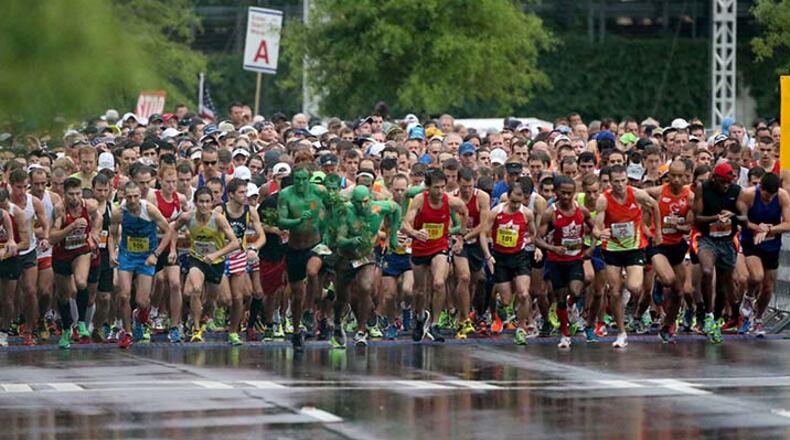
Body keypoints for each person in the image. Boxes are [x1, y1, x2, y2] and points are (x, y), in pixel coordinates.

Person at [594, 165, 661, 348]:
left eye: (623, 180)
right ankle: (622, 332)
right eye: (616, 181)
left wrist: (658, 232)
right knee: (614, 291)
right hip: (612, 249)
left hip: (634, 247)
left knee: (635, 286)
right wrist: (600, 234)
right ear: (610, 182)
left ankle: (632, 306)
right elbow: (596, 226)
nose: (620, 185)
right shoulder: (603, 200)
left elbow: (655, 205)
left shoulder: (636, 194)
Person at [402, 169, 467, 342]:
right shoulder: (419, 200)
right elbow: (405, 224)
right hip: (420, 247)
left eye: (443, 187)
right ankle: (420, 317)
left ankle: (435, 323)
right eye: (436, 188)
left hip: (439, 246)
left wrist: (461, 234)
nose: (440, 192)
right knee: (419, 291)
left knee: (439, 283)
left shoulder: (449, 201)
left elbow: (464, 209)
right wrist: (415, 233)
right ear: (428, 187)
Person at [109, 181, 173, 349]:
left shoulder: (149, 209)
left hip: (146, 257)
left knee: (142, 301)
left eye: (135, 196)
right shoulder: (118, 213)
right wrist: (111, 252)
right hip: (127, 255)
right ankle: (127, 332)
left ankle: (141, 315)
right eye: (129, 197)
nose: (132, 200)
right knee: (124, 295)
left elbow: (168, 231)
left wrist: (156, 254)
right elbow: (112, 234)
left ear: (140, 196)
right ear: (123, 196)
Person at [334, 186, 400, 347]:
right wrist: (350, 241)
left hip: (366, 255)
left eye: (365, 202)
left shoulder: (378, 208)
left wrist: (393, 235)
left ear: (369, 200)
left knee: (365, 287)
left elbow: (396, 208)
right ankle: (336, 322)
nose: (362, 206)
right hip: (346, 257)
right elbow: (339, 238)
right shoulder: (346, 211)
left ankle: (361, 330)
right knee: (342, 296)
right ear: (353, 202)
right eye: (358, 203)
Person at [174, 187, 240, 344]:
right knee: (195, 289)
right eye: (201, 202)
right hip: (197, 258)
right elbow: (172, 229)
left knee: (211, 301)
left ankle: (202, 322)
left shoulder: (218, 219)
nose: (204, 205)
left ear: (212, 203)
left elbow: (235, 243)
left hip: (215, 262)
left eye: (207, 202)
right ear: (195, 203)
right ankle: (196, 330)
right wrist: (171, 249)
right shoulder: (187, 217)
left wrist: (216, 254)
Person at [537, 175, 596, 348]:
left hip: (575, 258)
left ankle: (572, 305)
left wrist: (591, 247)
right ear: (556, 192)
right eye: (563, 193)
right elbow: (537, 239)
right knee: (560, 298)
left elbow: (596, 229)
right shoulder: (550, 213)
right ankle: (565, 333)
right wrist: (552, 248)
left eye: (570, 193)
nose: (566, 197)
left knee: (576, 291)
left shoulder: (581, 210)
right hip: (556, 261)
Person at [277, 166, 329, 351]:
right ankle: (297, 329)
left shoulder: (319, 192)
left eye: (303, 179)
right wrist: (298, 221)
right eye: (297, 179)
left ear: (309, 179)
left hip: (315, 244)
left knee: (312, 271)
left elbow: (334, 208)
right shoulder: (285, 195)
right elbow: (281, 221)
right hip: (295, 247)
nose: (300, 183)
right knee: (297, 294)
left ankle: (311, 307)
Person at [644, 160, 694, 343]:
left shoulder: (690, 197)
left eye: (680, 176)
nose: (676, 179)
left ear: (687, 176)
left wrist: (680, 226)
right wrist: (651, 231)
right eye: (673, 175)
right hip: (658, 244)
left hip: (677, 245)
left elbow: (689, 225)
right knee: (669, 279)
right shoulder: (658, 192)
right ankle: (658, 281)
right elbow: (640, 196)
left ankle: (667, 325)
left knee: (679, 291)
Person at [480, 183, 536, 345]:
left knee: (523, 293)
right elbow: (483, 234)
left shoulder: (527, 214)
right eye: (513, 202)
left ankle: (521, 328)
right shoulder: (496, 212)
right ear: (508, 198)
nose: (516, 206)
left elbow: (533, 234)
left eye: (519, 203)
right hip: (501, 258)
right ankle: (500, 305)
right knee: (505, 300)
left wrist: (527, 241)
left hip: (519, 257)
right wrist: (488, 255)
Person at [693, 162, 741, 344]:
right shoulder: (703, 188)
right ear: (715, 178)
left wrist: (733, 215)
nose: (726, 186)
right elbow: (696, 218)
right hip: (707, 238)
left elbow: (744, 216)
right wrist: (715, 217)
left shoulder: (737, 191)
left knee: (723, 282)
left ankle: (718, 318)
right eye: (723, 182)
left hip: (727, 240)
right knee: (706, 271)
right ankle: (708, 313)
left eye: (728, 182)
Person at [50, 177, 101, 349]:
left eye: (78, 193)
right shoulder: (60, 210)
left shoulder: (89, 206)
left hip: (81, 251)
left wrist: (94, 233)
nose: (75, 198)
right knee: (64, 296)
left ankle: (81, 322)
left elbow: (98, 217)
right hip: (62, 254)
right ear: (64, 194)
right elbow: (51, 237)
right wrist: (71, 227)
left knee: (80, 282)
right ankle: (66, 329)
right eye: (71, 194)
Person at [736, 172, 790, 336]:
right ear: (761, 189)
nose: (769, 199)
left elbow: (788, 223)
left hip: (771, 244)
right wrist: (757, 228)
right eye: (766, 196)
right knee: (757, 276)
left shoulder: (782, 196)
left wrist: (769, 230)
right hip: (751, 242)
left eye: (772, 196)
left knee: (768, 288)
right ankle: (749, 295)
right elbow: (741, 220)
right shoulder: (748, 194)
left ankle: (758, 319)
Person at [217, 178, 266, 345]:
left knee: (239, 298)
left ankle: (233, 331)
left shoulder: (250, 211)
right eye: (241, 192)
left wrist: (254, 249)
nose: (245, 196)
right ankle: (216, 313)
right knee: (226, 299)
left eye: (246, 192)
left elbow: (261, 236)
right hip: (221, 256)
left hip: (238, 255)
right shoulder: (220, 210)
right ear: (230, 194)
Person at [0, 188, 25, 346]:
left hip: (9, 258)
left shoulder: (9, 214)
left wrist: (9, 245)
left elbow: (15, 240)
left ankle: (4, 331)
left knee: (8, 298)